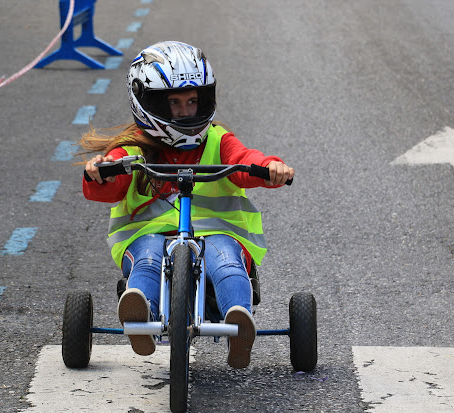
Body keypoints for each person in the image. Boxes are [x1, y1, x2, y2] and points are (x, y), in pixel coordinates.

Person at [80, 41, 294, 369]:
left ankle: (239, 323)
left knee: (225, 260)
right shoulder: (133, 149)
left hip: (217, 232)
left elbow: (244, 160)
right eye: (175, 103)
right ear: (149, 103)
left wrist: (269, 168)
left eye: (193, 102)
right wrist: (101, 173)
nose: (185, 112)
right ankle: (141, 315)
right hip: (148, 235)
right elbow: (110, 182)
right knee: (149, 258)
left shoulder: (218, 139)